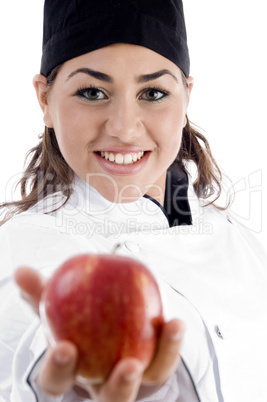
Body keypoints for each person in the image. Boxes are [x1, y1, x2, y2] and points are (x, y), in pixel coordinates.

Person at [0, 0, 266, 401]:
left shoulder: (237, 235)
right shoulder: (28, 246)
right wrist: (66, 382)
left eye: (154, 92)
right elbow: (27, 358)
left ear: (185, 99)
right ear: (45, 101)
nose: (124, 128)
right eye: (92, 92)